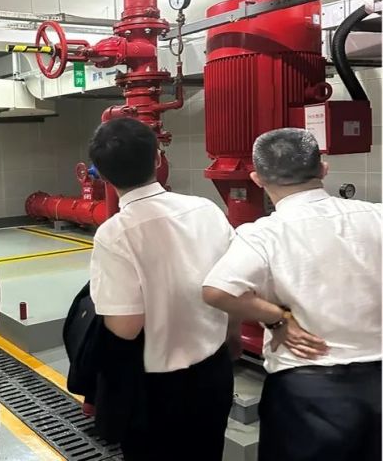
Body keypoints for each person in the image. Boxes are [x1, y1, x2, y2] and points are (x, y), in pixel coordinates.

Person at [203, 128, 381, 461]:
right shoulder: (376, 215)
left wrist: (277, 318)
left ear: (257, 179)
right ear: (323, 169)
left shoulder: (264, 233)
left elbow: (217, 291)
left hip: (308, 395)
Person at [88, 118, 236, 461]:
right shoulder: (206, 209)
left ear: (104, 176)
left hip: (155, 387)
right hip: (214, 372)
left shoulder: (115, 234)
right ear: (158, 158)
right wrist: (232, 334)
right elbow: (234, 285)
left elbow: (125, 327)